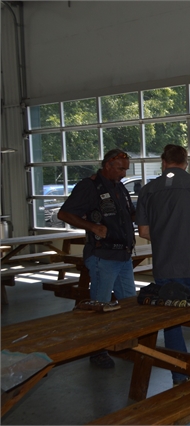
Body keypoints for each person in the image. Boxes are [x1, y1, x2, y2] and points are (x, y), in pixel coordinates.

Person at [136, 144, 190, 386]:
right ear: (186, 163)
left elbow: (144, 231)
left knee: (171, 323)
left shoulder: (148, 190)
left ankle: (179, 376)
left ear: (163, 163)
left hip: (166, 267)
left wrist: (168, 237)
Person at [57, 148, 137, 369]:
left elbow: (130, 215)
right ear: (107, 165)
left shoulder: (120, 188)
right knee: (100, 305)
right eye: (120, 169)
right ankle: (97, 350)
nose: (123, 174)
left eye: (126, 170)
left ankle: (124, 342)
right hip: (103, 256)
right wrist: (91, 226)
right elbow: (64, 213)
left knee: (129, 303)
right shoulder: (89, 186)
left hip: (123, 255)